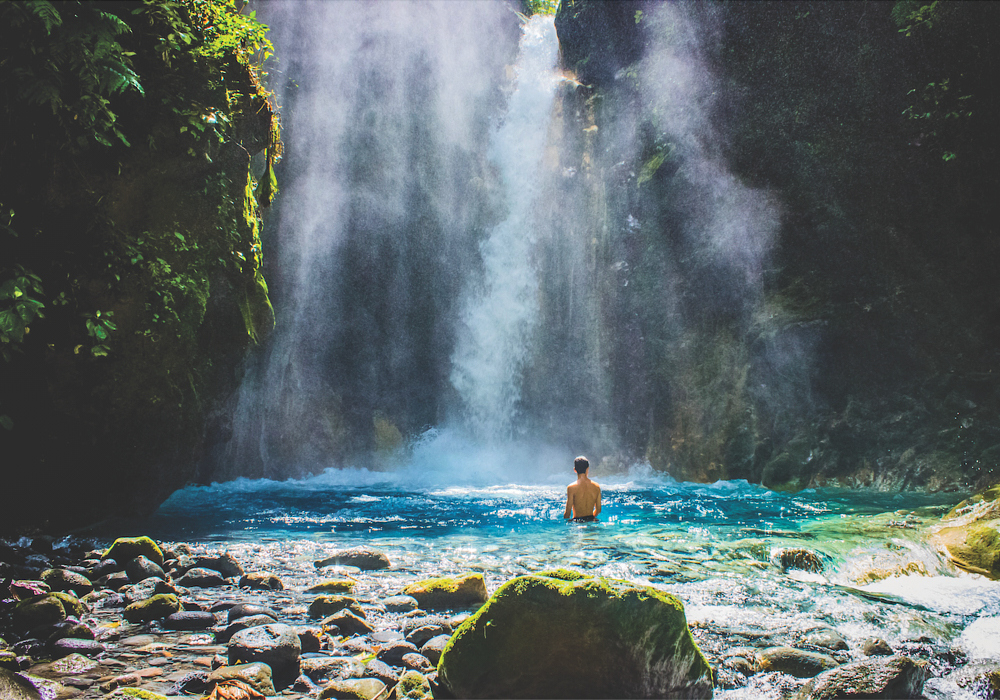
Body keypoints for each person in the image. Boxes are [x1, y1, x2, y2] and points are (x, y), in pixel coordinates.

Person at [564, 456, 601, 522]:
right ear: (587, 469)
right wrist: (590, 519)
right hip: (591, 520)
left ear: (575, 470)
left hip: (578, 521)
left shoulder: (571, 488)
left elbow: (568, 513)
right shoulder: (596, 486)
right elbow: (598, 510)